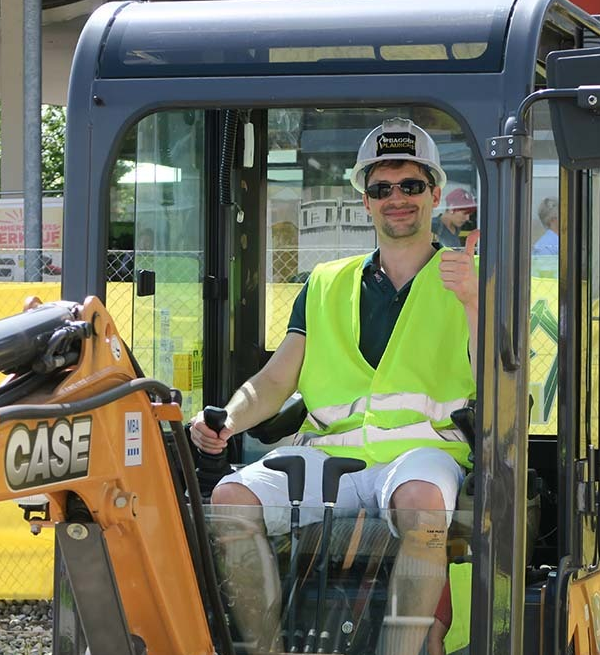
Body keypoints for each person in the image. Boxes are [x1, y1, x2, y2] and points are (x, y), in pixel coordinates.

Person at [190, 117, 479, 654]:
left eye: (411, 185)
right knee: (231, 498)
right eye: (382, 188)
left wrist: (474, 302)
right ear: (365, 201)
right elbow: (277, 378)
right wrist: (229, 419)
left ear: (435, 194)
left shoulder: (469, 279)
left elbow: (500, 378)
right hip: (332, 460)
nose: (397, 198)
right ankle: (266, 649)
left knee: (422, 507)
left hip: (422, 458)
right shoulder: (325, 282)